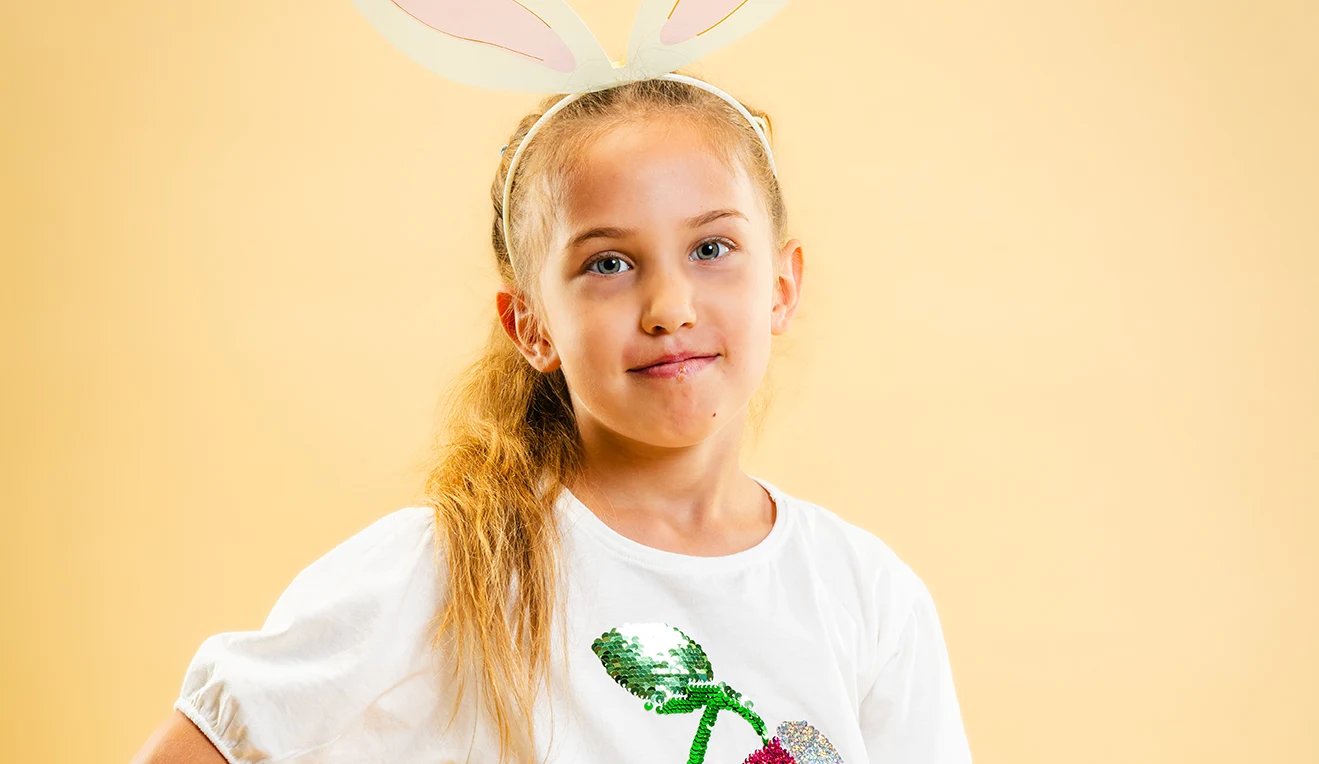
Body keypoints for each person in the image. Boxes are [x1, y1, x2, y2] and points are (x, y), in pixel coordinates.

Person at [133, 4, 973, 764]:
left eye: (711, 249)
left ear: (782, 287)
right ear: (532, 325)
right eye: (608, 263)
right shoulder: (445, 571)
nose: (669, 307)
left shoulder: (865, 595)